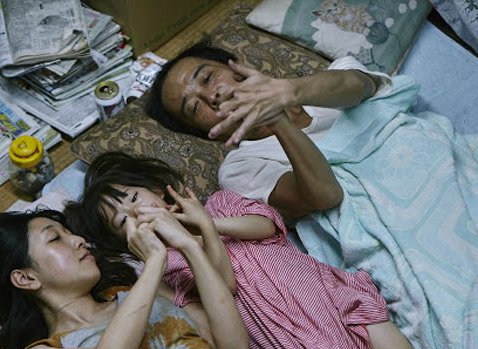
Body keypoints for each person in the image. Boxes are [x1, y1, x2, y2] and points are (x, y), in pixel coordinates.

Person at [64, 151, 467, 349]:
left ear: (158, 188)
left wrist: (207, 221)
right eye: (124, 221)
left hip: (329, 296)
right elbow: (225, 285)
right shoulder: (168, 270)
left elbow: (266, 226)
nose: (137, 214)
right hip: (289, 338)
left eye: (135, 199)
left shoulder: (220, 203)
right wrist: (191, 238)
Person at [0, 209, 326, 349]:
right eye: (56, 239)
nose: (79, 240)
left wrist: (189, 246)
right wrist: (153, 263)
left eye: (71, 233)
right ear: (26, 278)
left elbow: (233, 346)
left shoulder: (138, 295)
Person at [146, 42, 390, 220]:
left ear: (237, 66)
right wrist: (275, 118)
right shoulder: (239, 168)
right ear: (207, 133)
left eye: (209, 77)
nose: (212, 95)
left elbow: (365, 87)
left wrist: (289, 93)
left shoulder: (331, 79)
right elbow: (326, 196)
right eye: (194, 107)